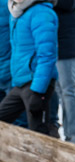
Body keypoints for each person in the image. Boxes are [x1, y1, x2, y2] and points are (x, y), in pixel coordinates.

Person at [0, 0, 58, 135]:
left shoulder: (42, 13)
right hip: (20, 83)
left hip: (36, 84)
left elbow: (47, 55)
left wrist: (38, 91)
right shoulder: (18, 14)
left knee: (40, 134)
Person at [50, 0, 75, 146]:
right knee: (58, 90)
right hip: (51, 37)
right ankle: (66, 133)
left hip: (67, 38)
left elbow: (69, 3)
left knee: (70, 89)